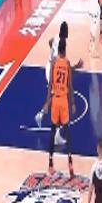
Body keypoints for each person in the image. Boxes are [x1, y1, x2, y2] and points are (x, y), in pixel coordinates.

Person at [41, 38, 76, 177]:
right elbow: (70, 85)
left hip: (55, 100)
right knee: (66, 131)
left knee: (52, 131)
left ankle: (50, 163)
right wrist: (72, 102)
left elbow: (50, 84)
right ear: (65, 49)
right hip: (63, 100)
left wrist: (47, 102)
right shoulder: (67, 63)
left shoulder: (54, 62)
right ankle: (70, 161)